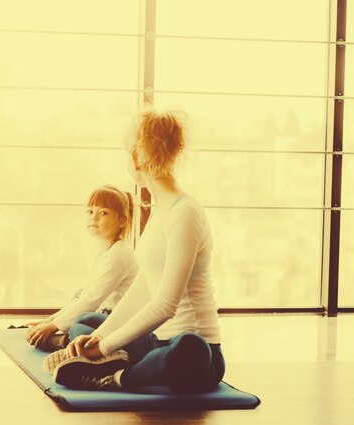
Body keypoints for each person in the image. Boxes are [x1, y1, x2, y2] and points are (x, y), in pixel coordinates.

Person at [47, 109, 224, 393]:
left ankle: (114, 378)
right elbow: (143, 288)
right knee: (86, 324)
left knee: (192, 348)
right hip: (154, 342)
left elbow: (166, 305)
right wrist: (100, 338)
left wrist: (105, 345)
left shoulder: (186, 213)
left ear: (134, 157)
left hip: (196, 354)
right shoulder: (160, 211)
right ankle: (116, 363)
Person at [26, 185, 138, 354]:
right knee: (78, 299)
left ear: (121, 221)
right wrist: (49, 321)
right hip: (102, 317)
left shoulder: (119, 254)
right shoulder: (102, 253)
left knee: (81, 320)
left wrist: (52, 327)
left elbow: (91, 300)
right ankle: (69, 341)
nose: (94, 217)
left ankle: (69, 342)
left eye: (103, 213)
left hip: (118, 322)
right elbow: (85, 295)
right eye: (90, 212)